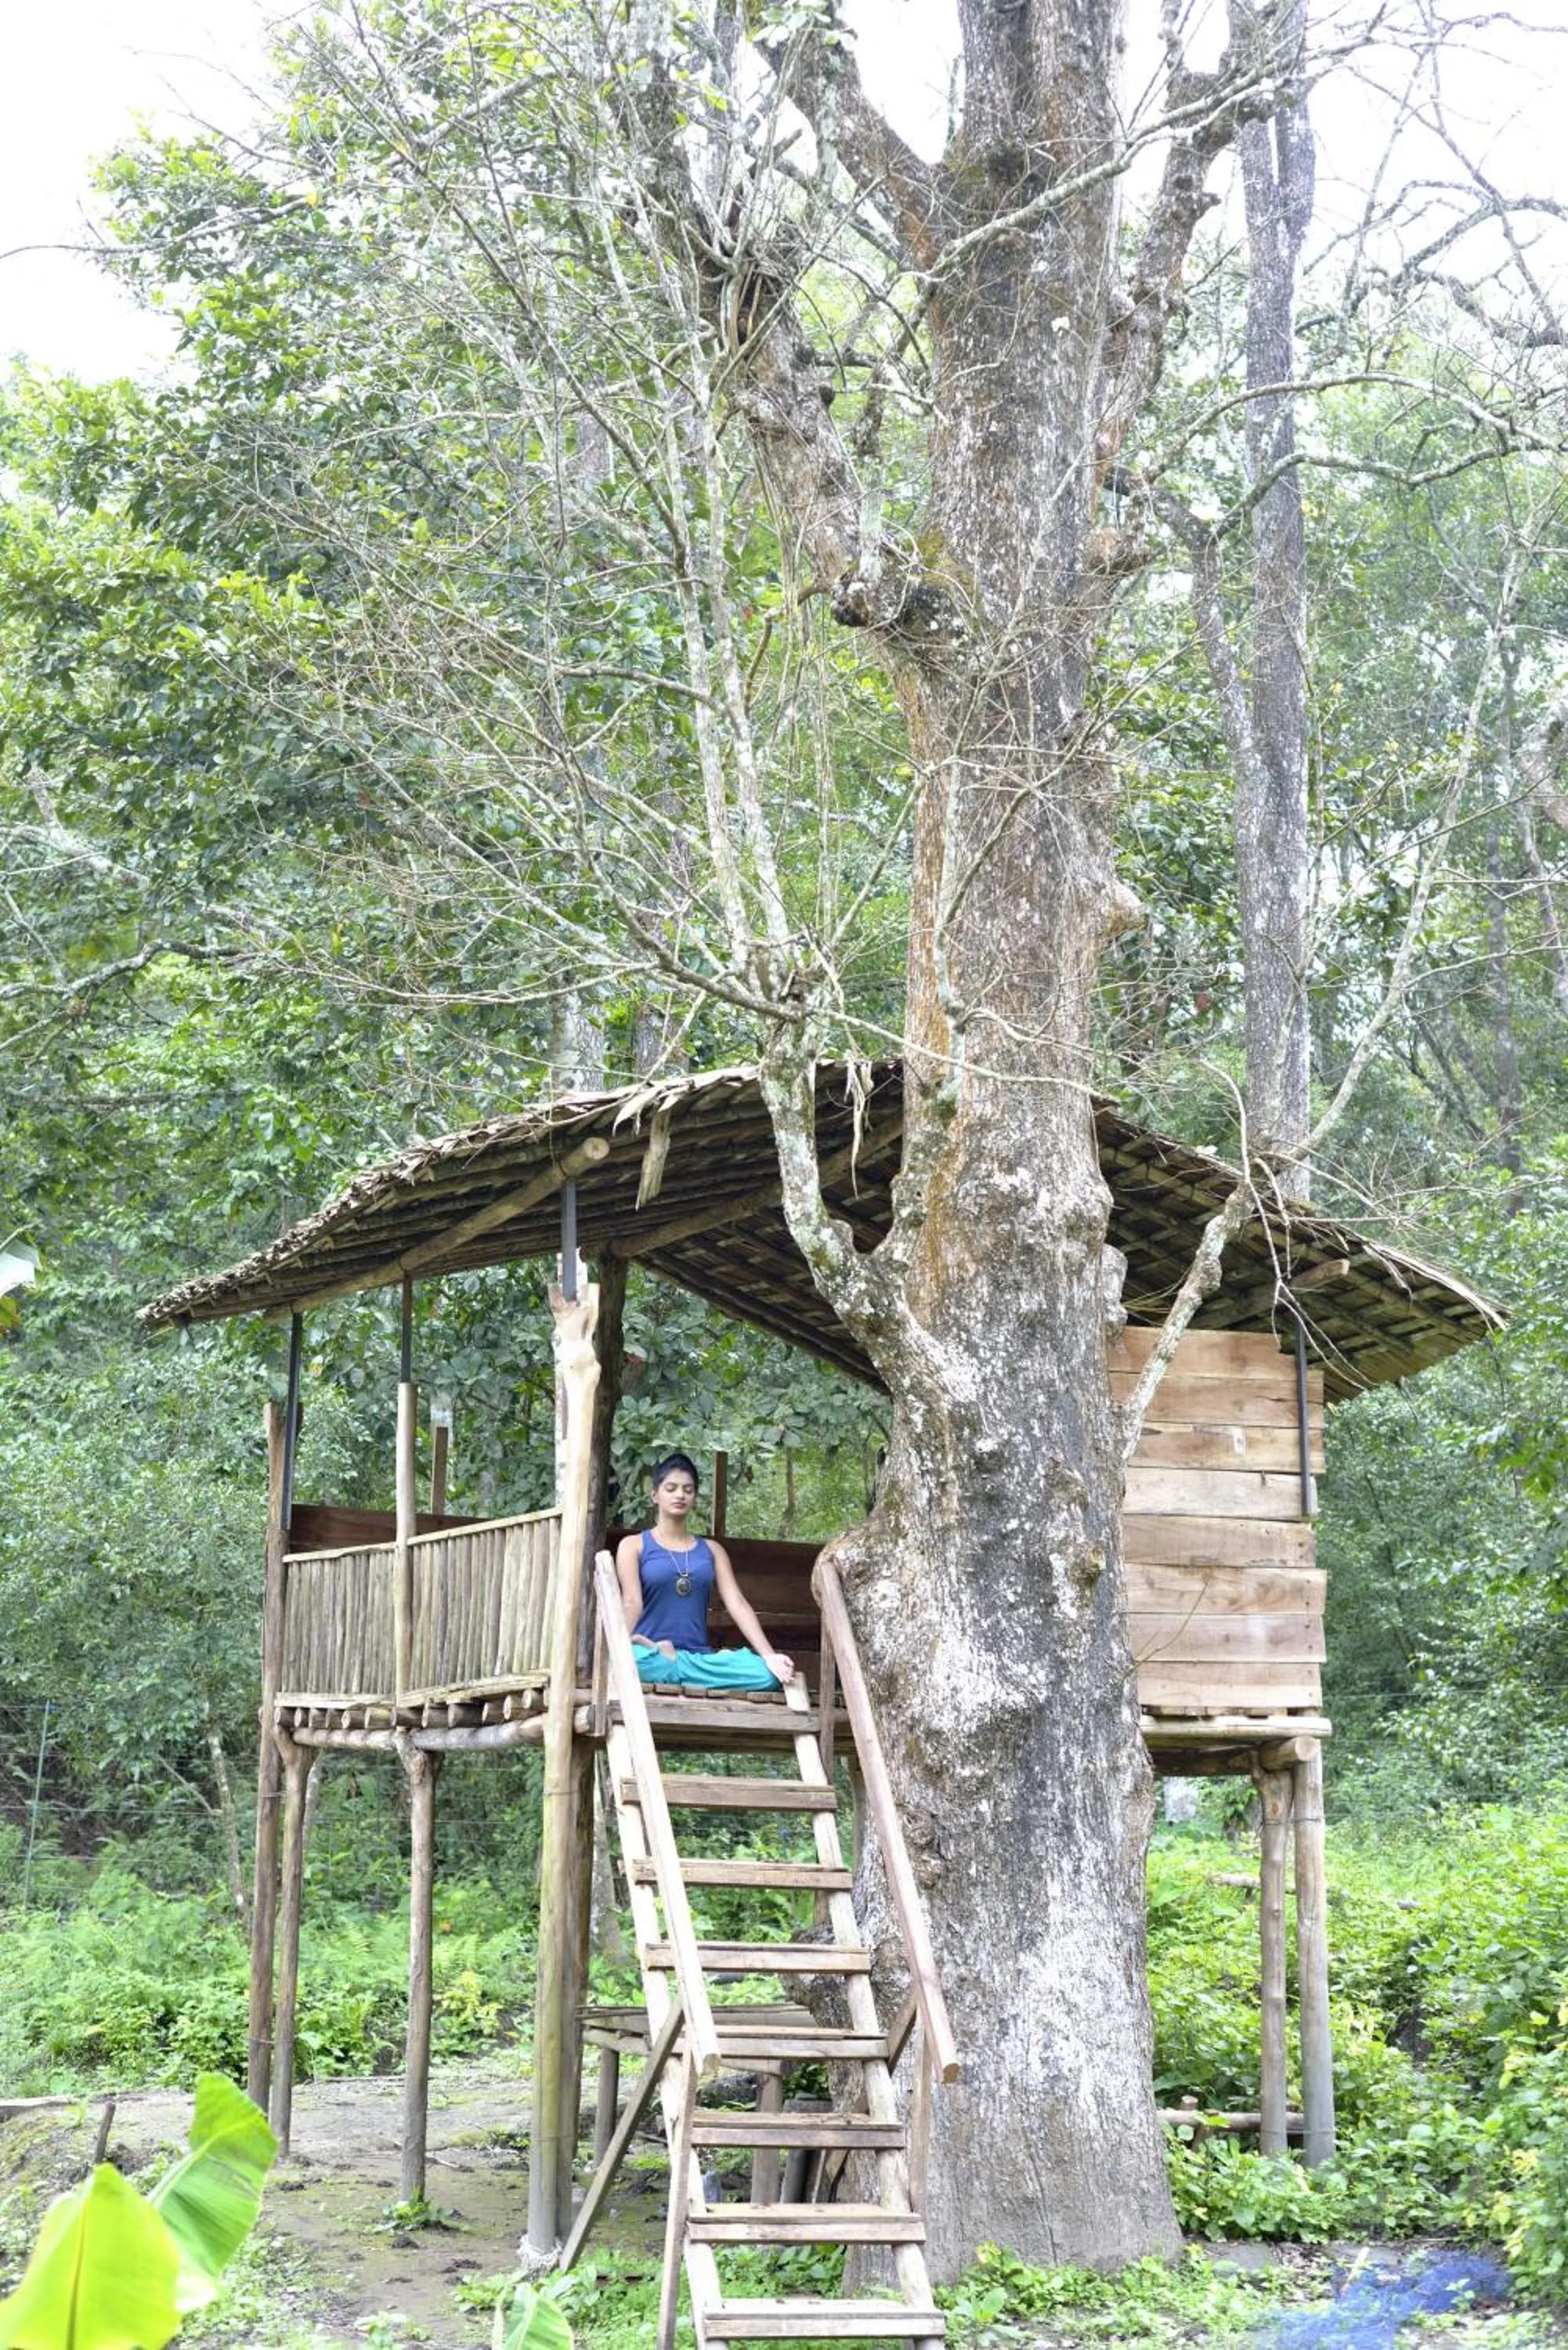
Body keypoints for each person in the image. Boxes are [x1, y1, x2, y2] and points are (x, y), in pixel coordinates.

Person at [615, 1451, 795, 1692]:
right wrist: (618, 1649)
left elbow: (738, 1604)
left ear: (695, 1496)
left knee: (767, 1675)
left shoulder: (712, 1550)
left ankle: (676, 1663)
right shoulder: (633, 1546)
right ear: (655, 1495)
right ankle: (666, 1659)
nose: (680, 1495)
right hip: (648, 1654)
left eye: (688, 1490)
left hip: (699, 1658)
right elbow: (631, 1602)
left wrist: (769, 1656)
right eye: (671, 1488)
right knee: (635, 1663)